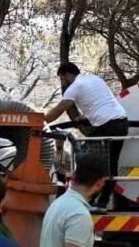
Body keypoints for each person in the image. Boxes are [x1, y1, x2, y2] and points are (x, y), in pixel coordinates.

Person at [43, 62, 128, 211]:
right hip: (121, 121)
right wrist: (85, 116)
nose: (63, 83)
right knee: (111, 164)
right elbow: (100, 103)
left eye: (62, 79)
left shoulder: (74, 87)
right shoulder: (94, 79)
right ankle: (101, 202)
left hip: (106, 125)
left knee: (91, 163)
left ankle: (91, 200)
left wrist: (41, 121)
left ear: (67, 74)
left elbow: (58, 110)